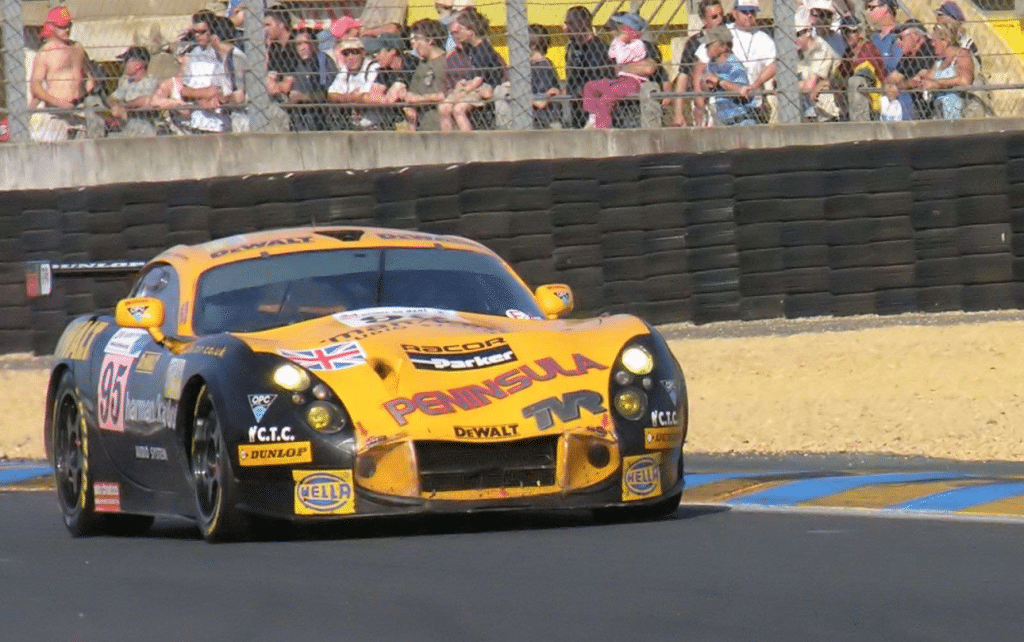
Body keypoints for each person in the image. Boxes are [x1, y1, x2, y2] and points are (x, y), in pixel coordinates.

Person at [694, 0, 777, 122]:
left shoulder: (765, 39)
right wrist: (700, 105)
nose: (749, 15)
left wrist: (755, 85)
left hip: (750, 107)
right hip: (719, 108)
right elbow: (700, 66)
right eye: (745, 11)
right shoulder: (722, 32)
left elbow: (773, 66)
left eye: (753, 12)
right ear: (734, 12)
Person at [29, 5, 103, 141]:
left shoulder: (78, 48)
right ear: (52, 27)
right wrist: (58, 102)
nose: (67, 30)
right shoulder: (45, 53)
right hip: (57, 112)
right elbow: (35, 87)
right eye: (62, 26)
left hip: (79, 109)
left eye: (69, 25)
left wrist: (92, 95)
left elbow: (87, 76)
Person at [439, 7, 507, 132]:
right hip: (473, 84)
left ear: (471, 32)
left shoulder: (484, 51)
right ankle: (447, 142)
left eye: (460, 29)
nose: (457, 33)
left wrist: (465, 90)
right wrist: (463, 85)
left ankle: (467, 142)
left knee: (458, 109)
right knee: (443, 108)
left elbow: (480, 78)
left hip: (485, 86)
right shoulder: (471, 48)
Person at [581, 13, 649, 129]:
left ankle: (603, 128)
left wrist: (620, 41)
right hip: (620, 80)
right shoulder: (623, 43)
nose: (620, 32)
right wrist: (618, 41)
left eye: (623, 29)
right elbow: (611, 54)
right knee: (590, 86)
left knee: (607, 98)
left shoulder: (638, 44)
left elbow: (621, 59)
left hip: (633, 82)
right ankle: (593, 116)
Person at [672, 0, 725, 127]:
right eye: (714, 17)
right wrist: (678, 113)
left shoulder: (730, 37)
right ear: (704, 20)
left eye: (721, 15)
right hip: (702, 100)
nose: (720, 20)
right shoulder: (694, 43)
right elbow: (683, 76)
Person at [563, 6, 614, 128]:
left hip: (594, 109)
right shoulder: (571, 48)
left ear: (583, 24)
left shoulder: (600, 49)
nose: (565, 28)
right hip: (575, 108)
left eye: (570, 23)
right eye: (565, 23)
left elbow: (604, 80)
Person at [911, 24, 973, 119]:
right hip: (940, 114)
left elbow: (965, 81)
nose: (932, 44)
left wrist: (937, 84)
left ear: (945, 41)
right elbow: (930, 79)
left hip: (958, 115)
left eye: (934, 41)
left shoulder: (962, 55)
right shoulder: (939, 61)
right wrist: (921, 78)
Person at [397, 19, 448, 130]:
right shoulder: (422, 64)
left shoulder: (448, 62)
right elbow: (413, 94)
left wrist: (420, 99)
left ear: (430, 41)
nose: (414, 46)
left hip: (444, 128)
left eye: (417, 40)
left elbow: (449, 94)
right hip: (424, 128)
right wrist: (405, 97)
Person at [701, 25, 757, 125]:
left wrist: (719, 81)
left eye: (709, 44)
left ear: (723, 46)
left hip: (741, 122)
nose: (706, 47)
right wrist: (707, 83)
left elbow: (742, 91)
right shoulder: (711, 65)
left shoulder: (733, 64)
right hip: (725, 123)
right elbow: (703, 86)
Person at [286, 27, 339, 130]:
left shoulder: (324, 62)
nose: (302, 48)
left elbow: (328, 94)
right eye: (298, 44)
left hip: (323, 118)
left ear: (315, 44)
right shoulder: (299, 65)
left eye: (305, 43)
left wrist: (304, 97)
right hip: (302, 118)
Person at [834, 15, 884, 121]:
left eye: (850, 31)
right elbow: (836, 77)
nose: (846, 35)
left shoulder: (869, 49)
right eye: (843, 31)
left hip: (874, 107)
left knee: (855, 82)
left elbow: (863, 76)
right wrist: (824, 83)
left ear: (861, 33)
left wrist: (841, 85)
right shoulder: (848, 54)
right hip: (854, 104)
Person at [363, 33, 418, 129]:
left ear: (393, 51)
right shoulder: (385, 69)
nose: (375, 56)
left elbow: (391, 98)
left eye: (379, 51)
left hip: (419, 109)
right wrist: (386, 99)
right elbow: (373, 96)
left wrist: (385, 99)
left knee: (410, 112)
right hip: (398, 112)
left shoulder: (410, 63)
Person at [795, 6, 839, 122]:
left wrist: (786, 86)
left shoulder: (821, 48)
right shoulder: (797, 52)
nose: (794, 39)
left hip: (828, 109)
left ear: (808, 32)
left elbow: (809, 86)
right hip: (807, 107)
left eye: (797, 34)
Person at [108, 46, 161, 137]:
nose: (123, 65)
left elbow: (146, 101)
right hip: (128, 130)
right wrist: (115, 105)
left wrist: (125, 107)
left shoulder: (150, 82)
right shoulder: (127, 83)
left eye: (127, 61)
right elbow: (111, 98)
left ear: (138, 64)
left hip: (146, 130)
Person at [327, 38, 379, 129]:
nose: (350, 58)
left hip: (374, 124)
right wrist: (351, 97)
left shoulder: (373, 67)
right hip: (352, 124)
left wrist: (344, 97)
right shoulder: (345, 70)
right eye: (346, 54)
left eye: (355, 52)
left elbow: (367, 96)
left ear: (363, 52)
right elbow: (331, 94)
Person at [891, 19, 937, 119]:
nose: (898, 42)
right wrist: (907, 84)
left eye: (901, 38)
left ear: (915, 36)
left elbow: (922, 79)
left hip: (934, 105)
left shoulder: (931, 49)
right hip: (918, 106)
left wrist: (901, 85)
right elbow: (892, 80)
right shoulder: (907, 56)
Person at [526, 24, 562, 128]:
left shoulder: (542, 66)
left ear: (533, 45)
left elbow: (541, 102)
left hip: (543, 120)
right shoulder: (530, 65)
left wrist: (522, 98)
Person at [866, 0, 901, 75]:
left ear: (885, 8)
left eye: (871, 8)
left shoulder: (900, 34)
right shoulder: (874, 37)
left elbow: (893, 68)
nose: (868, 12)